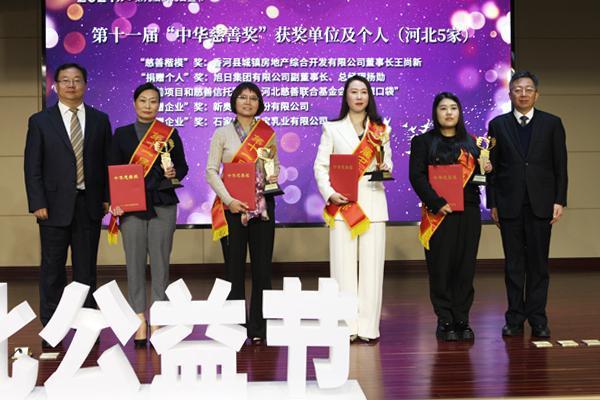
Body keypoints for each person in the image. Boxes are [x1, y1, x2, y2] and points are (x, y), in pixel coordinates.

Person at [24, 63, 112, 347]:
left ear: (85, 84)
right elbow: (32, 167)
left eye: (76, 80)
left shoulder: (100, 120)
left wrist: (108, 197)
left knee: (86, 272)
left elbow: (107, 163)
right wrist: (37, 202)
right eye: (65, 80)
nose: (71, 85)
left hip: (89, 205)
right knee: (53, 271)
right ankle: (52, 331)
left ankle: (87, 329)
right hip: (52, 207)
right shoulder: (40, 121)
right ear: (56, 86)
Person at [487, 71, 568, 338]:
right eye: (518, 89)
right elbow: (492, 168)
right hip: (509, 205)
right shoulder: (498, 125)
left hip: (541, 204)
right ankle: (514, 318)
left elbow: (560, 166)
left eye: (528, 89)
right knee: (513, 265)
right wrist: (493, 202)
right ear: (510, 94)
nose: (523, 94)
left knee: (538, 265)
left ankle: (538, 319)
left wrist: (559, 199)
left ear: (537, 94)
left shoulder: (552, 123)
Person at [313, 75, 392, 343]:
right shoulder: (332, 128)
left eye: (363, 92)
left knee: (372, 269)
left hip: (373, 204)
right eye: (354, 92)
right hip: (342, 205)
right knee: (343, 268)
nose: (359, 97)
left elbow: (388, 162)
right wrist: (330, 194)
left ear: (369, 97)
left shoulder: (380, 130)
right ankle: (345, 325)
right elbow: (320, 167)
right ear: (346, 96)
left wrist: (385, 166)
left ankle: (369, 327)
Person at [109, 83, 188, 347]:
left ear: (159, 105)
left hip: (163, 203)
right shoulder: (121, 134)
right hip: (131, 206)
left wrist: (173, 172)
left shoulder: (170, 134)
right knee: (134, 262)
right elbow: (113, 169)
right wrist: (115, 201)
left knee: (161, 262)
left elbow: (183, 166)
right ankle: (139, 318)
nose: (148, 106)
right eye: (143, 100)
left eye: (153, 101)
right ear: (134, 103)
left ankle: (159, 317)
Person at [409, 92, 492, 341]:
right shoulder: (423, 142)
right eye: (443, 108)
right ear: (436, 113)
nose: (448, 112)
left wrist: (488, 169)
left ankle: (462, 319)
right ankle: (445, 320)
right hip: (438, 214)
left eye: (453, 108)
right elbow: (417, 176)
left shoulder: (473, 143)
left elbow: (480, 179)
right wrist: (437, 202)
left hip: (468, 212)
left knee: (465, 268)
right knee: (440, 268)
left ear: (459, 112)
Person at [206, 82, 279, 344]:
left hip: (262, 209)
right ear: (234, 101)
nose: (248, 102)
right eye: (243, 97)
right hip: (232, 209)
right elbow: (211, 171)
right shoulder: (222, 133)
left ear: (260, 103)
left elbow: (274, 166)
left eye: (253, 98)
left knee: (262, 270)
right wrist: (229, 200)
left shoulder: (266, 133)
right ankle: (235, 327)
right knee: (233, 270)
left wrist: (273, 175)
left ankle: (259, 328)